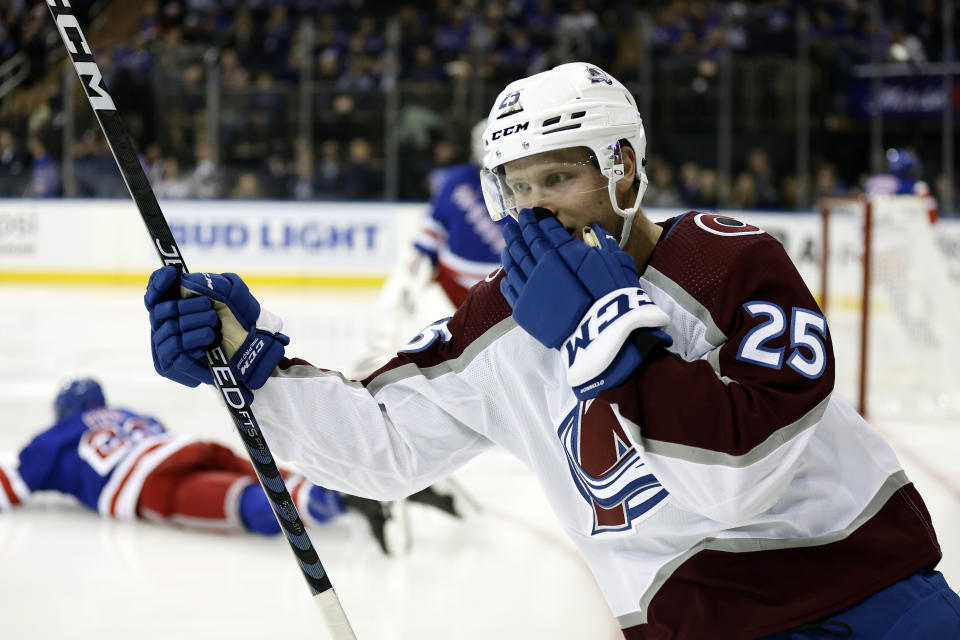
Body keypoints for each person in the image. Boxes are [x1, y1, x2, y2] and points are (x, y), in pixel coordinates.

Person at [143, 63, 960, 638]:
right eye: (517, 188)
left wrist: (605, 325)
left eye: (559, 181)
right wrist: (248, 362)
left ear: (624, 167)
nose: (536, 213)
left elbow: (736, 483)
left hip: (878, 601)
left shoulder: (729, 261)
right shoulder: (501, 313)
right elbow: (383, 447)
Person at [0, 379, 463, 555]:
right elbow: (157, 430)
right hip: (186, 446)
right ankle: (378, 482)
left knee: (259, 507)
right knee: (276, 477)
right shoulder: (130, 414)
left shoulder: (51, 438)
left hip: (146, 484)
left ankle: (346, 497)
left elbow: (12, 489)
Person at [351, 119, 507, 375]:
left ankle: (380, 350)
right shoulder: (468, 181)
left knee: (408, 266)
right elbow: (428, 241)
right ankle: (381, 348)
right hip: (501, 289)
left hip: (465, 288)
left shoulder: (457, 179)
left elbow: (426, 244)